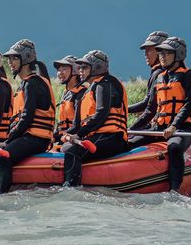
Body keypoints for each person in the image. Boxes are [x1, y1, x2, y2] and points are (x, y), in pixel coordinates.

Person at [127, 37, 191, 191]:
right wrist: (130, 130)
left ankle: (174, 189)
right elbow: (150, 108)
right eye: (161, 53)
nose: (162, 56)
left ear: (178, 55)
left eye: (167, 53)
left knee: (173, 147)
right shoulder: (160, 77)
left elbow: (189, 104)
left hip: (182, 128)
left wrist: (174, 126)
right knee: (130, 142)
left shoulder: (188, 76)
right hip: (160, 128)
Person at [0, 40, 55, 194]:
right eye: (9, 59)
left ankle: (1, 194)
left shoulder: (32, 84)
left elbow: (26, 119)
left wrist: (7, 142)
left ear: (26, 58)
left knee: (4, 157)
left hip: (37, 138)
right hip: (32, 137)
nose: (10, 62)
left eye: (14, 58)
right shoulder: (28, 83)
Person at [61, 50, 128, 186]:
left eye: (84, 67)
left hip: (112, 137)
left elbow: (101, 113)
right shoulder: (87, 92)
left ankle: (70, 188)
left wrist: (79, 135)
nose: (80, 71)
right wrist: (63, 135)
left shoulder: (106, 84)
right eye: (79, 68)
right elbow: (77, 125)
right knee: (64, 147)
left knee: (72, 151)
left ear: (97, 67)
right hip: (97, 136)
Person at [128, 31, 169, 130]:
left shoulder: (159, 74)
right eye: (145, 50)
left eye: (149, 50)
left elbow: (149, 106)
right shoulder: (162, 72)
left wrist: (131, 129)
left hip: (163, 128)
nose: (145, 54)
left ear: (161, 51)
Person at [52, 55, 88, 146]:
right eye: (59, 70)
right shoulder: (66, 93)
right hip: (64, 137)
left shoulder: (81, 93)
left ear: (75, 71)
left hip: (74, 138)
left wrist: (55, 138)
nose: (60, 73)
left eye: (64, 69)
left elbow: (77, 127)